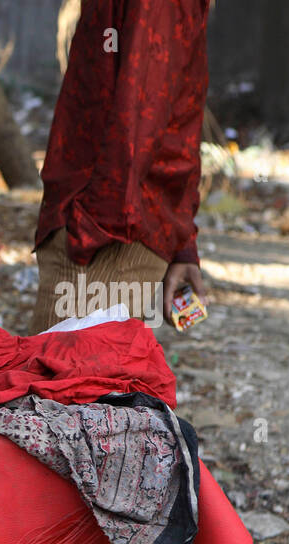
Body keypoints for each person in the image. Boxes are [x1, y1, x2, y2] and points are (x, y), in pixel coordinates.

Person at [29, 0, 210, 336]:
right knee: (60, 379)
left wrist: (92, 231)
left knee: (64, 381)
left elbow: (141, 111)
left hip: (108, 234)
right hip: (104, 222)